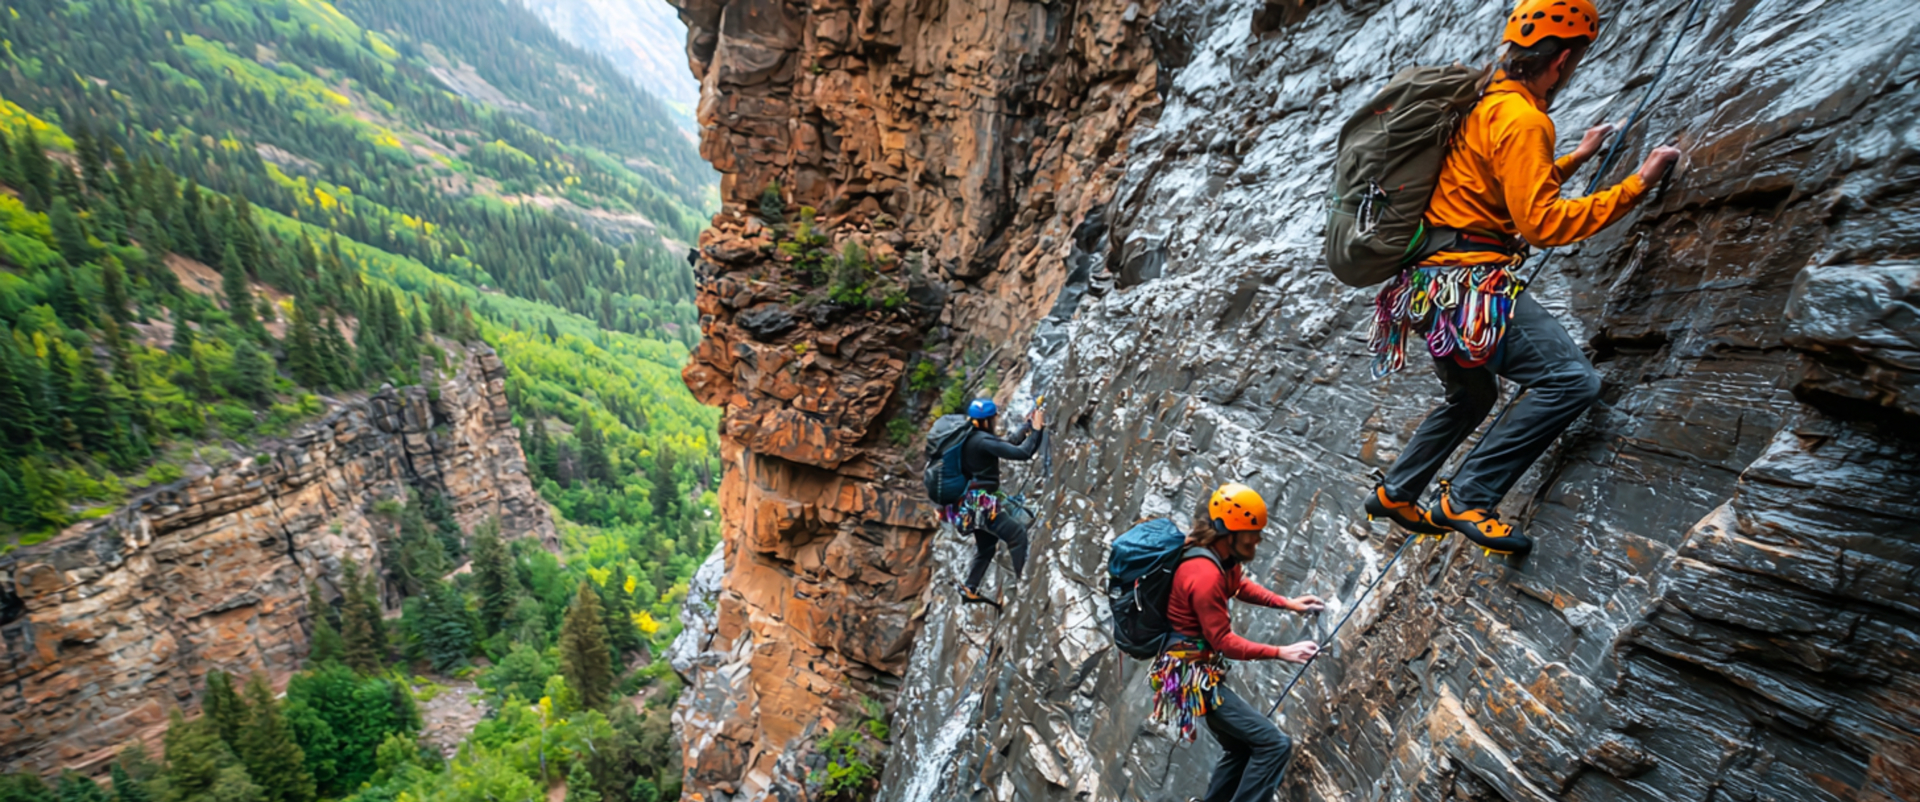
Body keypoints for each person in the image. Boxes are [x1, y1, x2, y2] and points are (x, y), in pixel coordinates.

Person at [1365, 0, 1683, 555]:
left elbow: (1498, 189)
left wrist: (1576, 159)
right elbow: (1542, 223)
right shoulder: (1523, 118)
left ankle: (1398, 491)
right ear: (1561, 61)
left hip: (1427, 288)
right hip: (1470, 291)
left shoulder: (1482, 103)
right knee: (1571, 381)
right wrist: (1637, 184)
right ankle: (1468, 498)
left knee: (1471, 395)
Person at [1156, 483, 1324, 802]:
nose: (1258, 539)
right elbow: (1224, 642)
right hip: (1190, 677)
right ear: (1230, 531)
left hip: (1190, 669)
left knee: (1241, 747)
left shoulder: (1220, 558)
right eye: (1252, 532)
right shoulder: (1203, 574)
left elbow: (1238, 585)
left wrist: (1287, 603)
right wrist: (1281, 652)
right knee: (1275, 745)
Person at [955, 398, 1045, 604]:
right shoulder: (982, 441)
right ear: (987, 420)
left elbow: (1006, 444)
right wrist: (1038, 429)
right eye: (994, 418)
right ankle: (1025, 587)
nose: (996, 421)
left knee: (987, 547)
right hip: (982, 504)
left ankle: (970, 587)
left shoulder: (970, 438)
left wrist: (1027, 426)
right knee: (1017, 536)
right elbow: (1023, 453)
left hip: (968, 503)